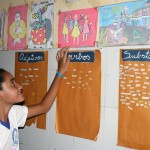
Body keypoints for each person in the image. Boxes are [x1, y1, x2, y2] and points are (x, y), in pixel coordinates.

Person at [0, 47, 70, 150]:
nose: (20, 86)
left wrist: (60, 72)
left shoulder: (13, 113)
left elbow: (44, 107)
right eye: (12, 84)